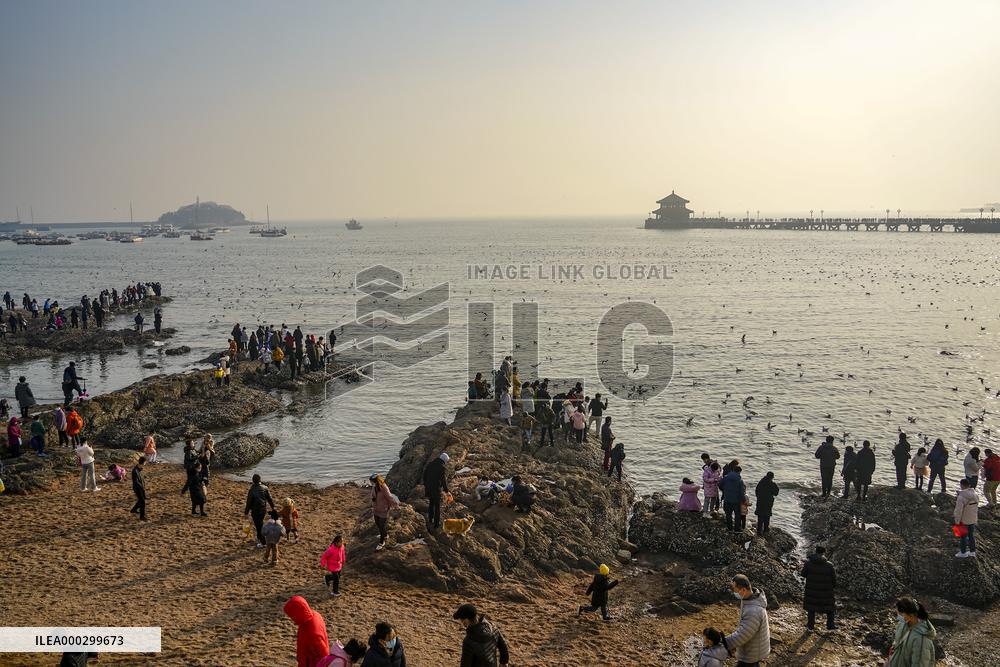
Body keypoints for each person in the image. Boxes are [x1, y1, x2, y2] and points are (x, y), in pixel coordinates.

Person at [724, 574, 771, 667]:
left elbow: (742, 635)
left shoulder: (753, 611)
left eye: (734, 589)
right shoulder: (749, 598)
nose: (733, 592)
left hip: (752, 653)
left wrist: (722, 642)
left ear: (743, 590)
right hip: (753, 647)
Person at [453, 603, 509, 667]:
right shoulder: (492, 627)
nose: (461, 622)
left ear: (466, 620)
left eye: (461, 620)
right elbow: (503, 647)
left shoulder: (469, 641)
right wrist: (504, 662)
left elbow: (466, 664)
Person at [887, 598, 936, 667]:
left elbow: (919, 663)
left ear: (911, 615)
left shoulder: (921, 639)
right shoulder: (902, 624)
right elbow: (897, 642)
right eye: (897, 613)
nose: (898, 617)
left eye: (900, 614)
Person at [283, 595, 330, 667]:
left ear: (298, 614)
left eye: (291, 616)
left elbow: (323, 655)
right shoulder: (313, 615)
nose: (291, 618)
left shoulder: (312, 633)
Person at [801, 545, 836, 631]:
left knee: (811, 608)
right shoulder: (829, 565)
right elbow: (834, 579)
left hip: (812, 590)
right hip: (826, 590)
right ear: (824, 553)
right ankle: (830, 626)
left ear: (815, 552)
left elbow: (803, 574)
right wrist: (832, 587)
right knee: (830, 608)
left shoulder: (808, 563)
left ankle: (810, 627)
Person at [244, 473, 277, 547]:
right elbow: (270, 499)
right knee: (260, 524)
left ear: (253, 481)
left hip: (255, 511)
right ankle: (260, 539)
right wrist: (273, 507)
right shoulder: (265, 488)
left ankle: (263, 542)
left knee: (259, 526)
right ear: (260, 480)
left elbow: (248, 502)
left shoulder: (252, 490)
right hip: (263, 510)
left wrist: (246, 512)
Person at [370, 474, 399, 551]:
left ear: (376, 481)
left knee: (382, 525)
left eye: (372, 482)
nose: (371, 483)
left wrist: (396, 506)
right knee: (377, 523)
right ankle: (385, 535)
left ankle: (381, 542)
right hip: (376, 509)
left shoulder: (384, 487)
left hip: (383, 509)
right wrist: (372, 499)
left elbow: (389, 497)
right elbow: (373, 495)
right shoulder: (374, 487)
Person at [422, 452, 450, 530]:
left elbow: (424, 475)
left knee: (431, 503)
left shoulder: (430, 464)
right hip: (436, 489)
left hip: (428, 488)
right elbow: (443, 480)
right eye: (446, 461)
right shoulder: (442, 467)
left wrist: (425, 484)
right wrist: (446, 490)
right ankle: (436, 524)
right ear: (444, 460)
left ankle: (430, 519)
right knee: (437, 506)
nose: (446, 462)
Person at [954, 477, 978, 558]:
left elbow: (958, 510)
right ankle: (972, 552)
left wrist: (957, 521)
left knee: (963, 537)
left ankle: (963, 553)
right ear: (969, 485)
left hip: (963, 520)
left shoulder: (961, 497)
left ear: (961, 485)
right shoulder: (975, 495)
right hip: (972, 519)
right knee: (971, 536)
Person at [721, 466, 746, 532]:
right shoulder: (740, 481)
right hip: (736, 500)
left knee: (728, 514)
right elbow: (741, 492)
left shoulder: (726, 477)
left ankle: (729, 528)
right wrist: (743, 500)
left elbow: (720, 484)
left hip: (727, 499)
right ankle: (737, 529)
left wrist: (725, 490)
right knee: (737, 515)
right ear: (739, 472)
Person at [131, 456, 147, 520]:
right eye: (145, 462)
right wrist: (141, 487)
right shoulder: (135, 471)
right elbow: (136, 481)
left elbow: (141, 478)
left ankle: (134, 509)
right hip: (138, 488)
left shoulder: (139, 469)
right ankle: (142, 516)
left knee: (141, 500)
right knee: (143, 502)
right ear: (144, 462)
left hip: (141, 487)